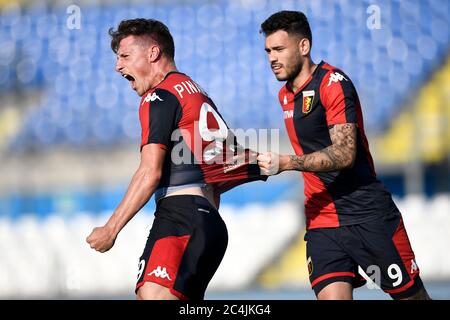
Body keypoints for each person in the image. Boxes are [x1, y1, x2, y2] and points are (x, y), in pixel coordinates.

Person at [86, 18, 265, 300]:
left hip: (181, 215)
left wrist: (111, 228)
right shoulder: (195, 91)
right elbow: (216, 170)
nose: (117, 66)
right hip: (208, 223)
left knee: (153, 295)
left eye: (124, 56)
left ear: (153, 53)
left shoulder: (159, 97)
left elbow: (149, 173)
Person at [257, 10, 430, 300]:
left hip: (367, 216)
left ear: (304, 47)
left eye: (278, 49)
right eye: (267, 51)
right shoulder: (284, 95)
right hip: (321, 220)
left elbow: (345, 153)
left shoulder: (333, 84)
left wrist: (287, 163)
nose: (272, 58)